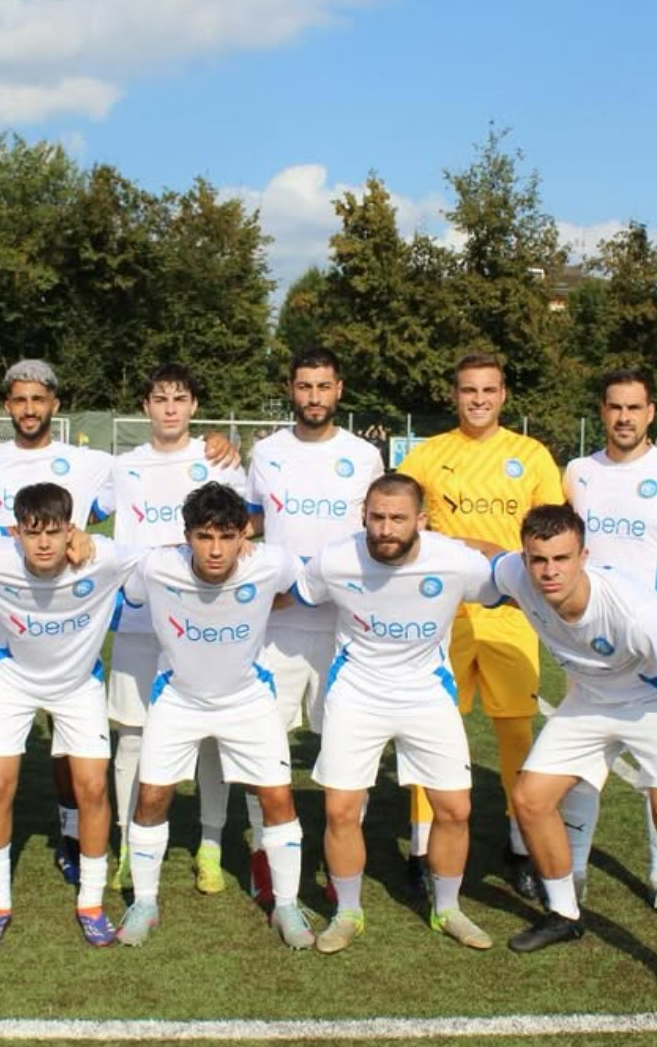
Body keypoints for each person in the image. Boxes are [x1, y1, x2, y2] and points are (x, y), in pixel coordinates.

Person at [493, 505, 657, 1018]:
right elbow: (482, 555)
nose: (549, 571)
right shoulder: (515, 573)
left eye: (562, 558)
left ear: (584, 556)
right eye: (538, 559)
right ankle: (564, 914)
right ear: (524, 558)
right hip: (591, 700)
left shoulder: (633, 612)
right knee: (530, 800)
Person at [296, 473, 501, 953]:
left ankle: (447, 909)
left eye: (398, 518)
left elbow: (507, 577)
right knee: (340, 810)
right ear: (364, 516)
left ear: (421, 521)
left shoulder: (453, 560)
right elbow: (292, 592)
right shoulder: (336, 559)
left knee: (455, 809)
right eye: (377, 517)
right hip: (356, 694)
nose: (385, 529)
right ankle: (347, 913)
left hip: (428, 695)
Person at [115, 483, 313, 949]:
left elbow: (306, 588)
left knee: (277, 797)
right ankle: (144, 902)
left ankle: (287, 905)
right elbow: (131, 592)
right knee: (152, 796)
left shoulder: (272, 564)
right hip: (177, 700)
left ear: (245, 535)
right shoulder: (156, 567)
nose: (216, 550)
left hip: (248, 700)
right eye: (204, 537)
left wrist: (261, 600)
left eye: (227, 536)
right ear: (186, 537)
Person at [397, 353, 562, 900]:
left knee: (515, 731)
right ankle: (422, 848)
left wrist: (504, 556)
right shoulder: (428, 454)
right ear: (455, 395)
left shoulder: (531, 455)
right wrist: (458, 546)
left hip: (511, 616)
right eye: (469, 390)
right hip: (442, 617)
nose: (479, 400)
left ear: (504, 394)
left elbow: (551, 532)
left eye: (488, 390)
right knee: (432, 728)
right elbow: (399, 519)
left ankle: (521, 845)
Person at [559, 368, 657, 918]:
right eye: (614, 407)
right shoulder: (577, 473)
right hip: (592, 648)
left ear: (650, 413)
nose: (623, 417)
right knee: (582, 767)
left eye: (634, 408)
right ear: (602, 411)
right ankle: (574, 871)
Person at [0, 483, 138, 948]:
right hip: (10, 678)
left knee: (92, 787)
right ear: (16, 532)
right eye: (32, 532)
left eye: (53, 532)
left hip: (78, 684)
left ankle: (91, 903)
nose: (42, 543)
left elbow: (168, 556)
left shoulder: (103, 558)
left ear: (70, 531)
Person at [0, 359, 115, 887]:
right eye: (19, 400)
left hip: (68, 620)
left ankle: (71, 836)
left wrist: (217, 447)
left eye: (38, 399)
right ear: (6, 405)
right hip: (2, 617)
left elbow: (151, 483)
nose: (29, 409)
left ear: (55, 404)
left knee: (69, 744)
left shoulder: (89, 463)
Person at [243, 347, 384, 901]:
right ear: (291, 389)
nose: (314, 397)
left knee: (345, 746)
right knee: (262, 744)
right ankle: (264, 850)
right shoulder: (266, 452)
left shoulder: (364, 456)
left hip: (344, 630)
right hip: (276, 627)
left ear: (339, 389)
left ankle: (336, 856)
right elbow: (252, 523)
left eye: (323, 386)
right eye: (305, 386)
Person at [99, 364, 246, 895]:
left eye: (179, 399)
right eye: (159, 399)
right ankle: (126, 844)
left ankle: (210, 845)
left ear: (193, 405)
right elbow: (79, 508)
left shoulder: (219, 461)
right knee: (132, 736)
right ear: (145, 407)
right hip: (139, 621)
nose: (169, 408)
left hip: (205, 622)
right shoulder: (122, 467)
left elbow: (249, 527)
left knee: (210, 739)